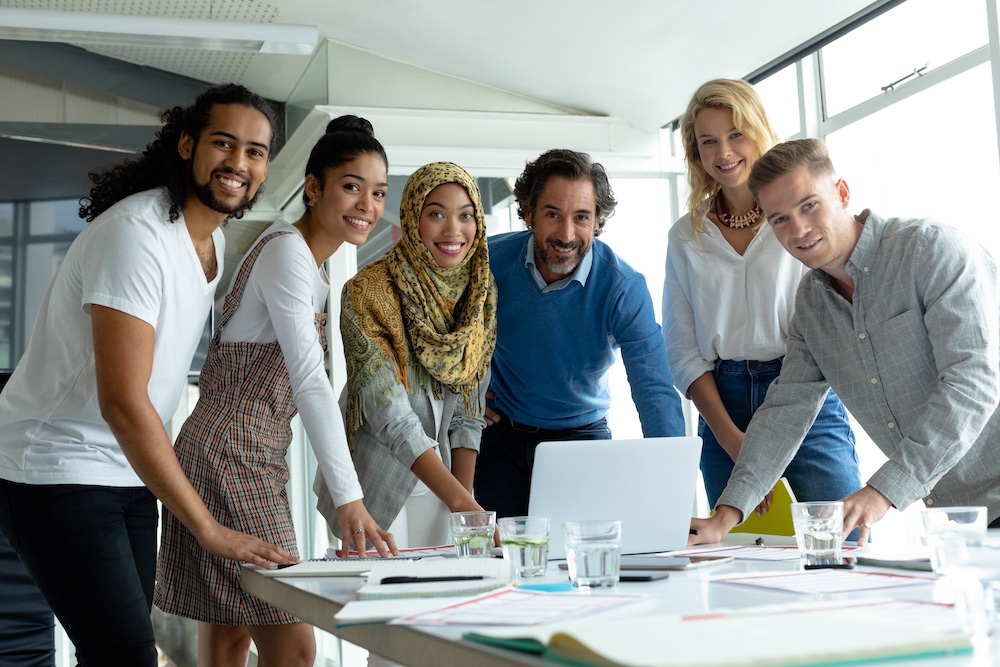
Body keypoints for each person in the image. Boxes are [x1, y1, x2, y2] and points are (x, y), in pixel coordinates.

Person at [0, 83, 291, 667]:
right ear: (187, 145)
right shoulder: (136, 237)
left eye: (255, 152)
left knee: (119, 653)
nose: (239, 163)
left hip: (124, 474)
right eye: (224, 143)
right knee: (127, 655)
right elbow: (124, 402)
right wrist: (208, 529)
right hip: (56, 467)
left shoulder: (205, 244)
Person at [154, 116, 397, 667]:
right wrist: (349, 498)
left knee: (233, 626)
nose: (367, 205)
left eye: (379, 192)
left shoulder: (312, 264)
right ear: (314, 188)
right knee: (293, 642)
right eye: (352, 186)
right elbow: (311, 382)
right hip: (231, 454)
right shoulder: (287, 254)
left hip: (242, 452)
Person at [690, 138, 1000, 547]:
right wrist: (725, 516)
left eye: (809, 206)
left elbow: (973, 384)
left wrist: (884, 490)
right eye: (779, 219)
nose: (798, 230)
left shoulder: (931, 249)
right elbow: (786, 410)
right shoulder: (811, 305)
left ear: (842, 193)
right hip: (958, 518)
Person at [663, 79, 862, 513]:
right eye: (708, 141)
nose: (724, 152)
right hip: (723, 406)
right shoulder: (684, 237)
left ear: (759, 131)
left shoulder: (798, 221)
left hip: (806, 391)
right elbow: (681, 349)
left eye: (736, 134)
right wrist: (730, 437)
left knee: (840, 542)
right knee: (739, 556)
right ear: (695, 152)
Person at [475, 148, 686, 518]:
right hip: (500, 440)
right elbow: (439, 334)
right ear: (528, 213)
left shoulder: (623, 287)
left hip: (581, 438)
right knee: (504, 559)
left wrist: (670, 483)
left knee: (581, 557)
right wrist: (468, 392)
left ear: (598, 221)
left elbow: (653, 387)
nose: (567, 234)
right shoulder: (487, 263)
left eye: (581, 217)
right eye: (552, 214)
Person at [316, 161, 496, 552]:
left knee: (443, 606)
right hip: (374, 488)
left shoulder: (479, 294)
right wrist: (463, 504)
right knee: (379, 606)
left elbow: (469, 410)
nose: (453, 231)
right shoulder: (366, 292)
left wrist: (464, 514)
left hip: (443, 489)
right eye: (436, 214)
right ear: (413, 219)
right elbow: (389, 413)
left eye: (466, 216)